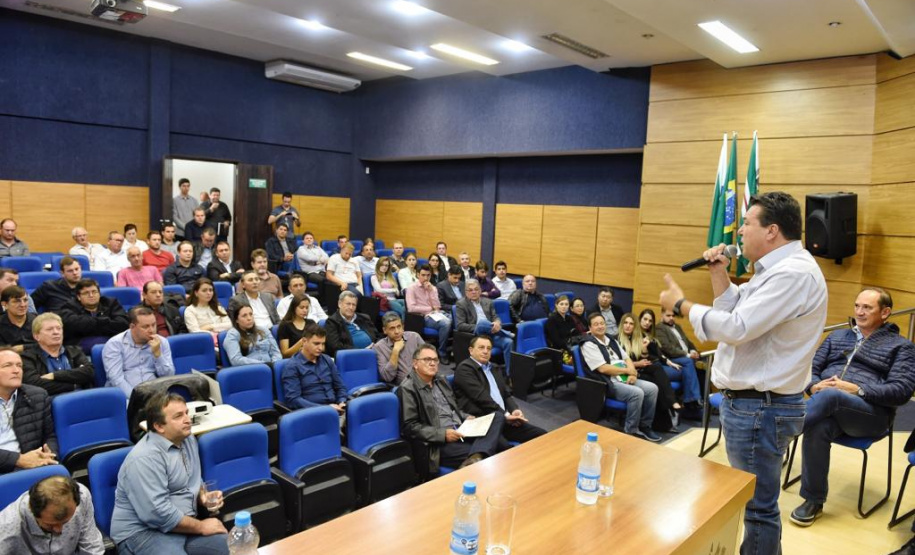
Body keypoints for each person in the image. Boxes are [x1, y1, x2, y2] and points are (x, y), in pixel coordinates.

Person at [659, 191, 828, 555]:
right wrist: (719, 272)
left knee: (758, 508)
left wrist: (681, 305)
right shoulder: (774, 270)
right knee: (757, 504)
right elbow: (738, 307)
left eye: (746, 225)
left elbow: (736, 328)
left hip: (761, 408)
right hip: (755, 406)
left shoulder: (793, 273)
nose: (738, 234)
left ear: (771, 231)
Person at [790, 288, 915, 528]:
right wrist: (814, 386)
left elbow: (901, 391)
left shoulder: (902, 347)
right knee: (819, 426)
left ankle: (778, 432)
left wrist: (856, 389)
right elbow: (810, 368)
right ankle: (813, 501)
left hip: (871, 415)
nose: (859, 311)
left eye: (867, 307)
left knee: (832, 397)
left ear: (885, 312)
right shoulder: (838, 337)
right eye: (857, 305)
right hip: (827, 407)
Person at [110, 392, 228, 554]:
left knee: (231, 546)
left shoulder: (187, 439)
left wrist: (202, 496)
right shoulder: (144, 458)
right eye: (178, 416)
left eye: (186, 413)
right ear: (159, 426)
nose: (187, 419)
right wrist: (201, 526)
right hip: (143, 532)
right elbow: (157, 514)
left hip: (182, 524)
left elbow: (192, 478)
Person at [400, 343, 508, 472]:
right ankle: (478, 455)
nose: (432, 363)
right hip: (439, 442)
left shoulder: (441, 380)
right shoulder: (407, 388)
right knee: (495, 449)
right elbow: (410, 426)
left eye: (435, 360)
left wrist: (465, 416)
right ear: (415, 363)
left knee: (498, 416)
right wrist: (443, 434)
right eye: (427, 359)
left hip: (462, 430)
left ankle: (477, 455)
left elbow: (454, 409)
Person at [581, 312, 661, 441]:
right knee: (637, 393)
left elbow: (627, 358)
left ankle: (645, 426)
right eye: (596, 324)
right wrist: (627, 370)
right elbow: (603, 368)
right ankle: (631, 431)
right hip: (608, 382)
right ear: (590, 328)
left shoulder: (610, 339)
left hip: (623, 376)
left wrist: (633, 374)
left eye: (602, 323)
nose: (600, 326)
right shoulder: (588, 344)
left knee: (652, 388)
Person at [452, 335, 546, 443]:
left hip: (503, 419)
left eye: (488, 348)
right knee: (507, 451)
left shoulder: (494, 367)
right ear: (471, 350)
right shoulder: (464, 369)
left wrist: (514, 409)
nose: (485, 351)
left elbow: (505, 394)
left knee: (542, 434)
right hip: (483, 422)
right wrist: (505, 415)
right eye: (481, 347)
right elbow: (482, 398)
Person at [0, 474, 105, 554]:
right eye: (50, 525)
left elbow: (92, 547)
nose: (59, 530)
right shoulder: (7, 526)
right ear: (32, 510)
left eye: (65, 522)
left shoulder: (82, 497)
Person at [618, 312, 680, 432]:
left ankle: (666, 413)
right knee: (655, 384)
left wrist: (645, 349)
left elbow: (644, 356)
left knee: (656, 368)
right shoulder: (616, 339)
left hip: (638, 370)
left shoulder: (636, 338)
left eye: (631, 324)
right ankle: (668, 411)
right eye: (625, 323)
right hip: (626, 373)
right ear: (621, 324)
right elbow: (616, 362)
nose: (628, 326)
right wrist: (637, 364)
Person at [0, 348, 59, 474]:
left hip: (33, 465)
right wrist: (19, 459)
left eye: (19, 366)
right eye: (7, 366)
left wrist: (49, 454)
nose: (16, 371)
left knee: (79, 490)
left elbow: (50, 435)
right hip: (8, 467)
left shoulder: (38, 395)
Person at [640, 308, 703, 420]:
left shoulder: (658, 332)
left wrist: (692, 350)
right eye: (668, 315)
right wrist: (687, 355)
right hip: (663, 361)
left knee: (695, 369)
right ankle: (691, 402)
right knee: (688, 364)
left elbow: (687, 342)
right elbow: (666, 349)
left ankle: (692, 405)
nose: (647, 322)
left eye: (649, 321)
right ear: (662, 315)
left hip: (663, 361)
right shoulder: (658, 328)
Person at [102, 306, 175, 397]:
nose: (151, 330)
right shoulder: (115, 344)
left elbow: (169, 376)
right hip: (126, 396)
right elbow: (116, 379)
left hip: (156, 394)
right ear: (132, 327)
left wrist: (158, 354)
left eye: (153, 325)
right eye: (145, 327)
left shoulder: (162, 342)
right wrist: (136, 398)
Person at [21, 313, 95, 396]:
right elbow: (35, 384)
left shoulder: (75, 351)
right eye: (49, 329)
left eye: (59, 328)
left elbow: (89, 372)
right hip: (48, 403)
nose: (56, 332)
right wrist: (74, 384)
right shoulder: (27, 357)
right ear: (37, 336)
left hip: (82, 398)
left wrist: (55, 375)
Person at [281, 325, 347, 413]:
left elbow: (340, 387)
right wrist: (325, 409)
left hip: (336, 408)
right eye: (316, 344)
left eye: (323, 344)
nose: (321, 348)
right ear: (304, 341)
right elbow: (293, 400)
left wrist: (342, 401)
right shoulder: (292, 366)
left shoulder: (327, 359)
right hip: (311, 413)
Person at [59, 279, 130, 352]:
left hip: (113, 345)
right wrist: (105, 323)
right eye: (86, 293)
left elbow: (123, 324)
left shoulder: (111, 303)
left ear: (99, 293)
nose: (91, 295)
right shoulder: (69, 307)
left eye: (94, 292)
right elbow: (73, 326)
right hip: (81, 350)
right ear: (78, 297)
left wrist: (90, 326)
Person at [454, 279, 513, 361]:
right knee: (482, 323)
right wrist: (479, 326)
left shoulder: (488, 301)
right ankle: (506, 333)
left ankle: (509, 373)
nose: (474, 292)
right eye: (470, 290)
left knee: (508, 342)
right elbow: (460, 325)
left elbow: (495, 316)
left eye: (476, 289)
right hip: (476, 335)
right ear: (466, 292)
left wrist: (497, 322)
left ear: (480, 290)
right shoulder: (461, 304)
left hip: (491, 334)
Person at [405, 265, 452, 364]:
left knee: (455, 318)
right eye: (423, 275)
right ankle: (442, 352)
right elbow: (411, 308)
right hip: (421, 317)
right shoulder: (411, 288)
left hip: (436, 314)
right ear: (418, 275)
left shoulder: (433, 288)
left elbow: (437, 306)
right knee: (446, 323)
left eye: (428, 275)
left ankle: (452, 350)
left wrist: (431, 291)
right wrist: (429, 309)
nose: (426, 278)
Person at [372, 312, 424, 386]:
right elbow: (387, 377)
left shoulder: (414, 337)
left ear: (403, 326)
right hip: (405, 388)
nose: (397, 331)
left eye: (399, 327)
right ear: (385, 330)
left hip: (424, 378)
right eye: (392, 328)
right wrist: (395, 351)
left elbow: (430, 358)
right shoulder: (379, 347)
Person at [324, 291, 379, 357]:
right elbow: (335, 346)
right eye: (348, 304)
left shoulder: (364, 318)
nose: (351, 307)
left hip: (374, 351)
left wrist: (378, 346)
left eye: (354, 305)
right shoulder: (332, 322)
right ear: (339, 304)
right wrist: (362, 351)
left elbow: (377, 335)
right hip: (353, 355)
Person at [0, 286, 37, 352]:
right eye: (16, 301)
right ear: (5, 304)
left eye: (25, 300)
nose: (23, 305)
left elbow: (48, 343)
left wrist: (24, 347)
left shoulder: (38, 321)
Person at [277, 294, 313, 358]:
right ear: (294, 308)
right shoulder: (285, 325)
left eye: (307, 308)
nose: (305, 310)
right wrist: (301, 342)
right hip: (295, 360)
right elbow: (285, 353)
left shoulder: (311, 323)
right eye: (302, 307)